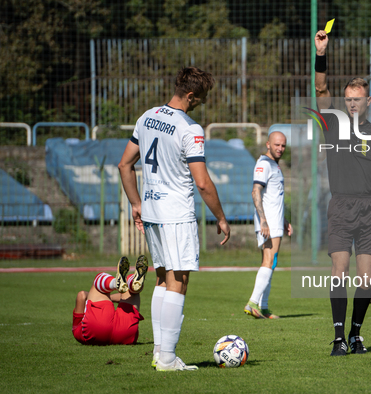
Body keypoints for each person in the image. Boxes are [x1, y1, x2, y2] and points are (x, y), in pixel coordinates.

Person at [118, 67, 231, 371]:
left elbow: (124, 164)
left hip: (153, 211)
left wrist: (136, 203)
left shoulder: (146, 117)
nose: (202, 104)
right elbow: (203, 183)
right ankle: (167, 358)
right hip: (177, 213)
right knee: (178, 281)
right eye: (201, 99)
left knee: (162, 278)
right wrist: (220, 217)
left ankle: (160, 352)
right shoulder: (190, 128)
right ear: (190, 95)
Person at [314, 29, 371, 356]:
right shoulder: (332, 123)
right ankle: (337, 338)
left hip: (370, 209)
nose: (351, 102)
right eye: (347, 98)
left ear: (367, 101)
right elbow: (321, 88)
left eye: (356, 98)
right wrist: (321, 53)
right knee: (339, 271)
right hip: (341, 206)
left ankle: (357, 334)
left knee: (365, 277)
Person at [244, 131, 293, 319]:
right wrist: (264, 220)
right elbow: (256, 191)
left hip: (274, 220)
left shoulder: (274, 165)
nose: (280, 148)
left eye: (283, 146)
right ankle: (253, 302)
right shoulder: (264, 164)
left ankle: (263, 307)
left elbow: (274, 197)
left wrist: (284, 220)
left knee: (270, 263)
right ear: (268, 144)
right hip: (268, 222)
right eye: (277, 145)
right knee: (269, 261)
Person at [72, 256, 148, 346]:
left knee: (123, 290)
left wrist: (106, 297)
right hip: (125, 332)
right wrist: (106, 296)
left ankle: (121, 283)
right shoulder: (76, 329)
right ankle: (126, 284)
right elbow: (82, 295)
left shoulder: (77, 332)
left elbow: (83, 296)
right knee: (100, 280)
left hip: (97, 330)